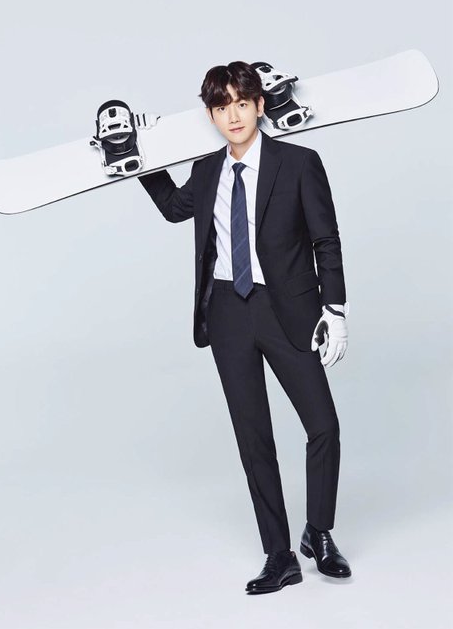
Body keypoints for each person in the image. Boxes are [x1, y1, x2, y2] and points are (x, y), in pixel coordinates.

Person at [137, 61, 352, 594]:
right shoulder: (207, 170)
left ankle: (319, 532)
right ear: (210, 115)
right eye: (221, 106)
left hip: (288, 309)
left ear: (259, 105)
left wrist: (335, 310)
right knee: (253, 435)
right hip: (228, 313)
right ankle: (279, 554)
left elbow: (326, 239)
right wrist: (141, 157)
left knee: (323, 425)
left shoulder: (298, 163)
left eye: (240, 103)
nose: (232, 115)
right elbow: (174, 209)